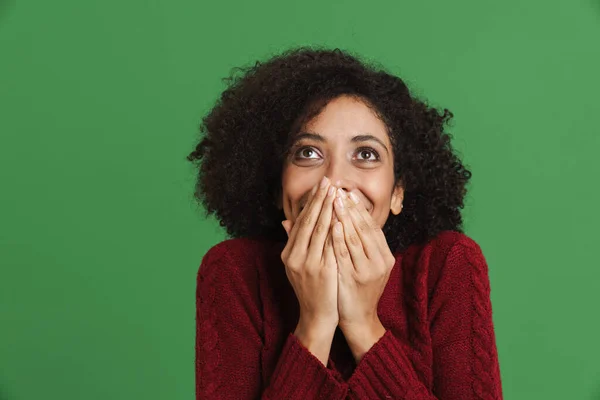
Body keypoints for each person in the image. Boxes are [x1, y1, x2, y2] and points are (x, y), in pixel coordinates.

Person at [187, 47, 503, 399]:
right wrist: (316, 323)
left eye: (366, 154)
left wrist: (363, 324)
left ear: (398, 191)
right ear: (278, 187)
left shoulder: (448, 266)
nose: (334, 180)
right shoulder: (234, 272)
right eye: (308, 152)